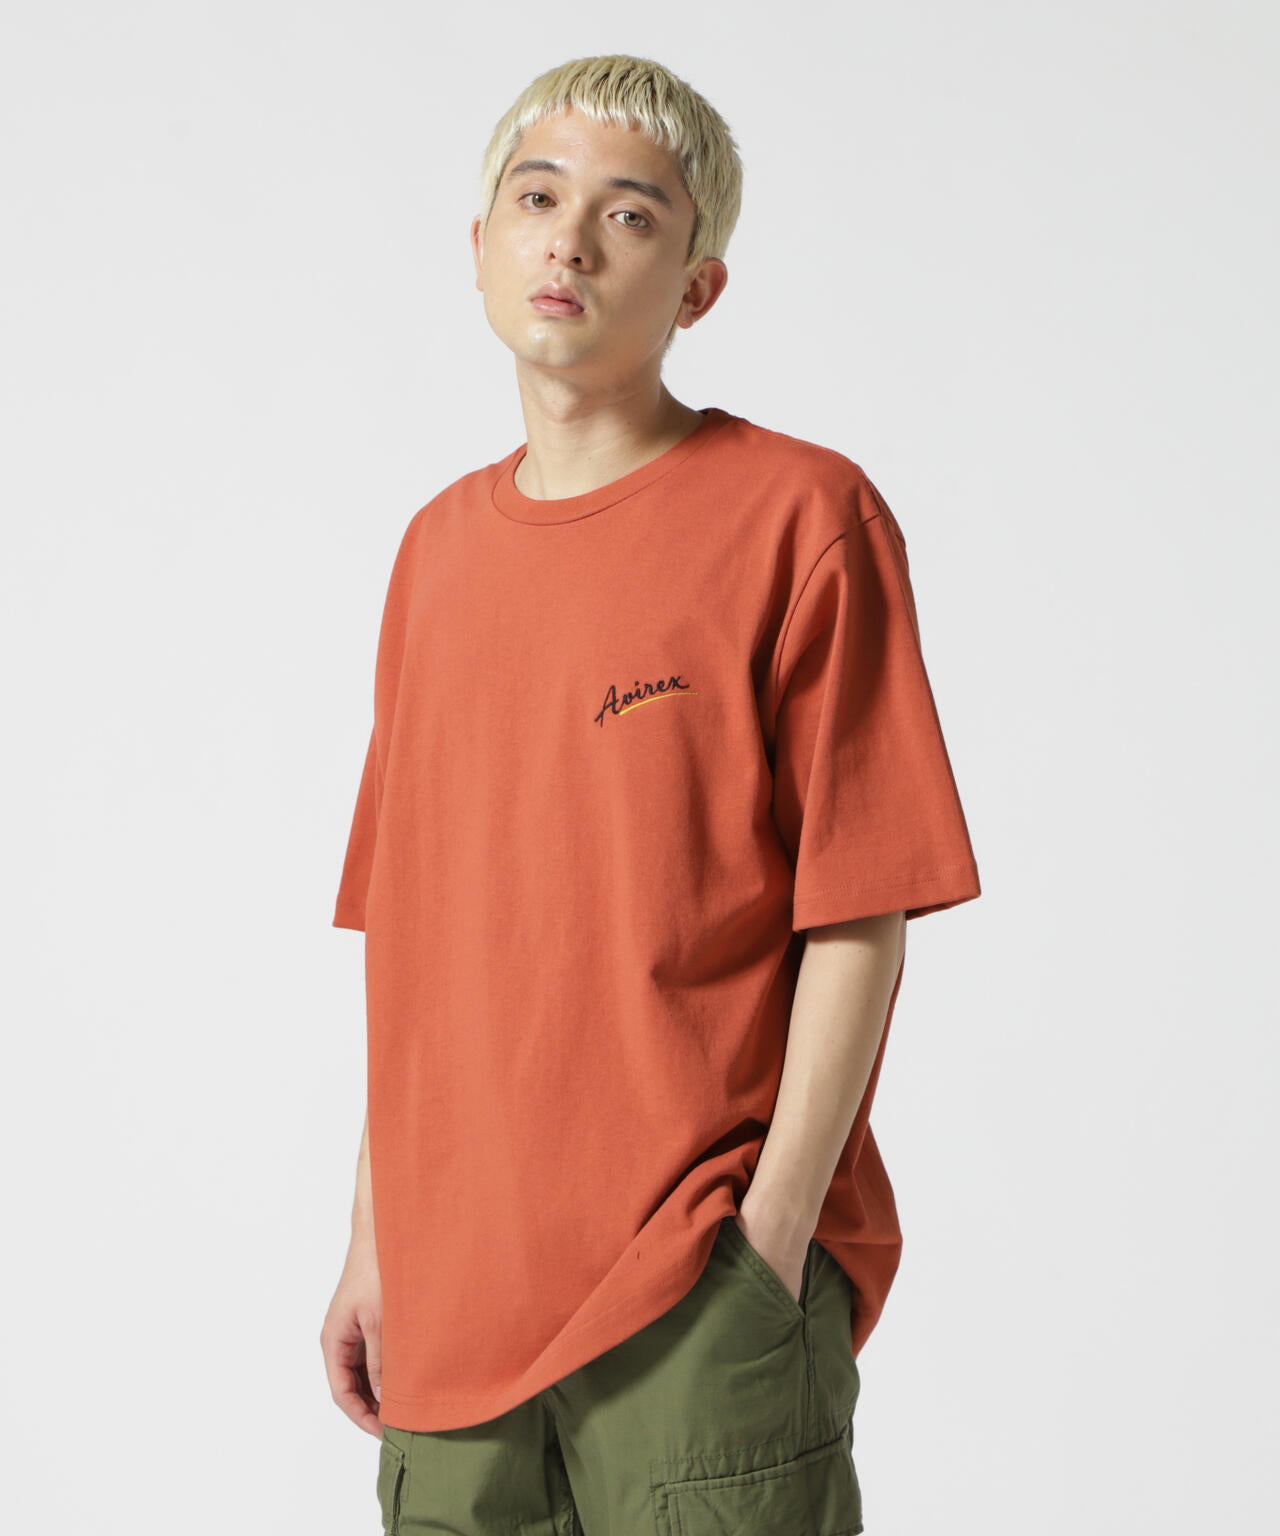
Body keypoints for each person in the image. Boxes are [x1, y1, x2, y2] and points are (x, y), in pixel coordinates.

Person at [319, 53, 981, 1536]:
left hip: (694, 1287)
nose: (569, 240)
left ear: (698, 287)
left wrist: (773, 1233)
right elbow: (417, 945)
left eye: (629, 215)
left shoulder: (801, 515)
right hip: (452, 1303)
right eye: (536, 198)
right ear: (479, 246)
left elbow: (862, 904)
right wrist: (375, 1237)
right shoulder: (434, 555)